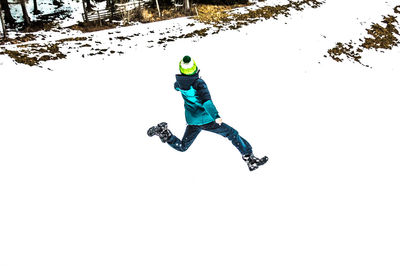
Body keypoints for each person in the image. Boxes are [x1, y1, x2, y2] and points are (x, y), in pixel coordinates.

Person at [147, 55, 268, 171]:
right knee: (232, 133)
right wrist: (216, 116)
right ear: (195, 68)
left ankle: (164, 134)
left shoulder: (179, 85)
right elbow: (206, 102)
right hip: (206, 120)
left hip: (193, 122)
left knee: (183, 146)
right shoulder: (199, 83)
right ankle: (249, 158)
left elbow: (176, 87)